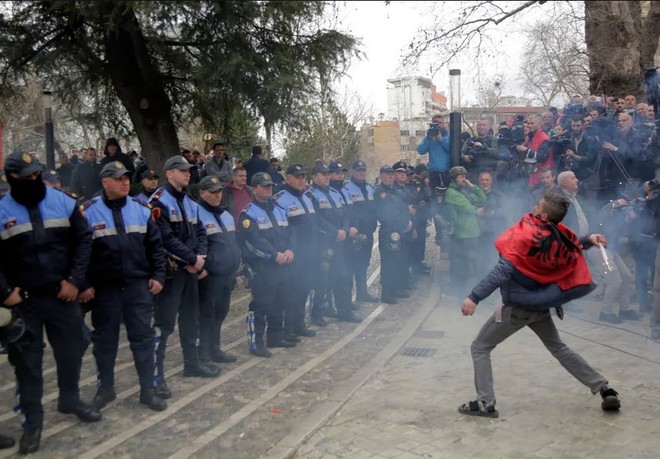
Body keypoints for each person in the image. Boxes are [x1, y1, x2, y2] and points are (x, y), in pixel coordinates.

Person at [458, 192, 621, 418]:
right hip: (540, 306)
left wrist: (474, 296)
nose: (533, 206)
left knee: (480, 347)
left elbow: (503, 270)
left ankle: (485, 402)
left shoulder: (528, 235)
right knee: (559, 349)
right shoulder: (555, 232)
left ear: (543, 214)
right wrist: (589, 238)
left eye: (538, 205)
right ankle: (603, 387)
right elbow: (572, 244)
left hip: (519, 308)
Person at [0, 151, 101, 455]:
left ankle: (69, 398)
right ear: (10, 178)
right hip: (23, 301)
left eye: (37, 175)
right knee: (28, 365)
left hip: (62, 294)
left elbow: (84, 242)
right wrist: (4, 292)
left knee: (73, 348)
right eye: (26, 177)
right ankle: (33, 422)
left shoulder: (64, 202)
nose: (34, 181)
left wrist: (75, 281)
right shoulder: (1, 211)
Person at [80, 161, 167, 412]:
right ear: (104, 182)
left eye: (127, 177)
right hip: (105, 291)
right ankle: (105, 389)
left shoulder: (141, 209)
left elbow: (155, 247)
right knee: (104, 342)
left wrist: (159, 276)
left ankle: (147, 391)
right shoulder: (89, 212)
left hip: (137, 287)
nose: (125, 182)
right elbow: (80, 253)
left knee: (143, 339)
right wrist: (84, 284)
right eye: (118, 178)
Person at [150, 155, 218, 400]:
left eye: (189, 170)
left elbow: (201, 231)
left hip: (191, 270)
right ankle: (155, 377)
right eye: (182, 170)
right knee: (164, 324)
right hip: (171, 273)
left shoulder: (189, 201)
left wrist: (200, 257)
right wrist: (192, 260)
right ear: (169, 173)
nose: (188, 174)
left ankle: (193, 363)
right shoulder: (159, 202)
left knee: (191, 318)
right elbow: (164, 239)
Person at [240, 172, 296, 357]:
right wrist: (274, 255)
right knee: (262, 304)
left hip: (283, 263)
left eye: (270, 186)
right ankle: (256, 342)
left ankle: (275, 336)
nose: (268, 189)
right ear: (254, 189)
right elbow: (253, 241)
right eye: (264, 186)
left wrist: (290, 250)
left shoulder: (279, 209)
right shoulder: (248, 215)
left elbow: (290, 233)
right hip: (263, 267)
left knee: (280, 301)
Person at [308, 163, 361, 324]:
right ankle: (317, 313)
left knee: (342, 278)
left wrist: (344, 230)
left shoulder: (334, 193)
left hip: (340, 242)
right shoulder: (311, 195)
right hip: (323, 243)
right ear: (315, 177)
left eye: (327, 174)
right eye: (323, 174)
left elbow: (345, 214)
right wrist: (334, 233)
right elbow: (316, 220)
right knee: (321, 282)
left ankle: (344, 311)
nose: (326, 177)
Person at [196, 176, 241, 365]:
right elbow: (195, 244)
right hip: (209, 275)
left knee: (221, 312)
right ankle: (203, 353)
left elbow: (233, 242)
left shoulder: (226, 215)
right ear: (202, 193)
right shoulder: (196, 214)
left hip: (227, 274)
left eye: (219, 191)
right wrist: (203, 268)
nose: (217, 195)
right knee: (206, 316)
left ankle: (215, 349)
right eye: (213, 192)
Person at [273, 164, 321, 335]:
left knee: (304, 289)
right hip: (293, 254)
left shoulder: (307, 197)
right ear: (288, 178)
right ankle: (288, 328)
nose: (301, 180)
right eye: (297, 176)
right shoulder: (279, 199)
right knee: (290, 292)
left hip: (310, 252)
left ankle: (299, 325)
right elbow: (281, 230)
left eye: (303, 176)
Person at [444, 166, 487, 295]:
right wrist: (476, 210)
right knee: (462, 263)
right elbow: (465, 206)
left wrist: (472, 186)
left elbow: (483, 199)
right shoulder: (451, 192)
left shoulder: (465, 190)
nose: (464, 179)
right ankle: (459, 289)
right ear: (454, 178)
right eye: (461, 176)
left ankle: (466, 288)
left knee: (471, 261)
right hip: (462, 233)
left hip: (472, 232)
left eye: (465, 176)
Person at [374, 165, 412, 304]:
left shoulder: (395, 190)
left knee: (397, 260)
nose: (391, 177)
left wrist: (406, 223)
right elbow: (384, 214)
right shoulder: (380, 192)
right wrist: (400, 224)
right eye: (388, 174)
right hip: (388, 231)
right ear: (382, 175)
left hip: (399, 230)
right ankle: (386, 292)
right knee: (388, 262)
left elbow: (403, 209)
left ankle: (395, 288)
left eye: (391, 174)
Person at [342, 160, 379, 301]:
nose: (361, 172)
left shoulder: (369, 188)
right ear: (353, 171)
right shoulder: (347, 189)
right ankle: (347, 297)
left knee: (364, 263)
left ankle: (362, 292)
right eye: (358, 170)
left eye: (363, 170)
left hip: (368, 232)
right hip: (354, 234)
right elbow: (347, 212)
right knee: (352, 265)